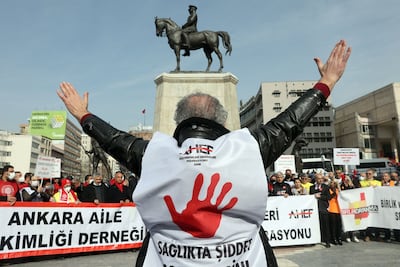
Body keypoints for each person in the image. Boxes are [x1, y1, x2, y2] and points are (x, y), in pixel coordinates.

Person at [57, 40, 351, 266]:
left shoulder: (155, 155)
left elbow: (115, 140)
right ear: (222, 120)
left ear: (178, 121)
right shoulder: (248, 149)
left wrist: (84, 115)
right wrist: (326, 84)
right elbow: (288, 123)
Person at [310, 173, 332, 247]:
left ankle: (327, 241)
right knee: (316, 225)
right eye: (318, 178)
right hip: (315, 209)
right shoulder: (312, 187)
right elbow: (309, 197)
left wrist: (320, 196)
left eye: (321, 178)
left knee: (325, 225)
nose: (320, 180)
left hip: (323, 208)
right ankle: (315, 239)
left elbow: (328, 197)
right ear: (315, 179)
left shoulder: (326, 187)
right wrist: (313, 196)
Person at [327, 180, 343, 245]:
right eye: (331, 183)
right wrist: (333, 193)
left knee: (339, 225)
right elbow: (329, 198)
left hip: (338, 209)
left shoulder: (337, 190)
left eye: (334, 183)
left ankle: (339, 237)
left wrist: (338, 187)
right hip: (331, 209)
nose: (333, 184)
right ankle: (333, 238)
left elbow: (342, 195)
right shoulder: (328, 190)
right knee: (333, 225)